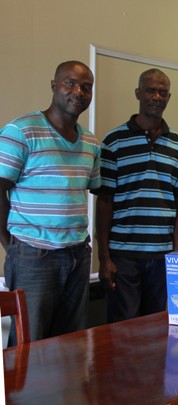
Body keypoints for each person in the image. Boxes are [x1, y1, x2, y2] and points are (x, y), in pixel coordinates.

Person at [0, 61, 100, 344]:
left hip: (77, 254)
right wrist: (12, 245)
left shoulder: (91, 143)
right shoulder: (21, 132)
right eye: (70, 83)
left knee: (69, 344)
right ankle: (20, 392)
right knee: (27, 344)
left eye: (86, 86)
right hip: (34, 255)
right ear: (54, 86)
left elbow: (90, 190)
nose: (78, 91)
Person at [94, 68, 178, 323]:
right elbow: (104, 201)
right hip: (124, 255)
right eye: (151, 90)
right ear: (138, 93)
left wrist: (175, 252)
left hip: (161, 256)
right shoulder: (114, 141)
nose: (157, 97)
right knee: (123, 329)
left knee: (157, 327)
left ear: (169, 98)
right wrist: (104, 258)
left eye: (163, 92)